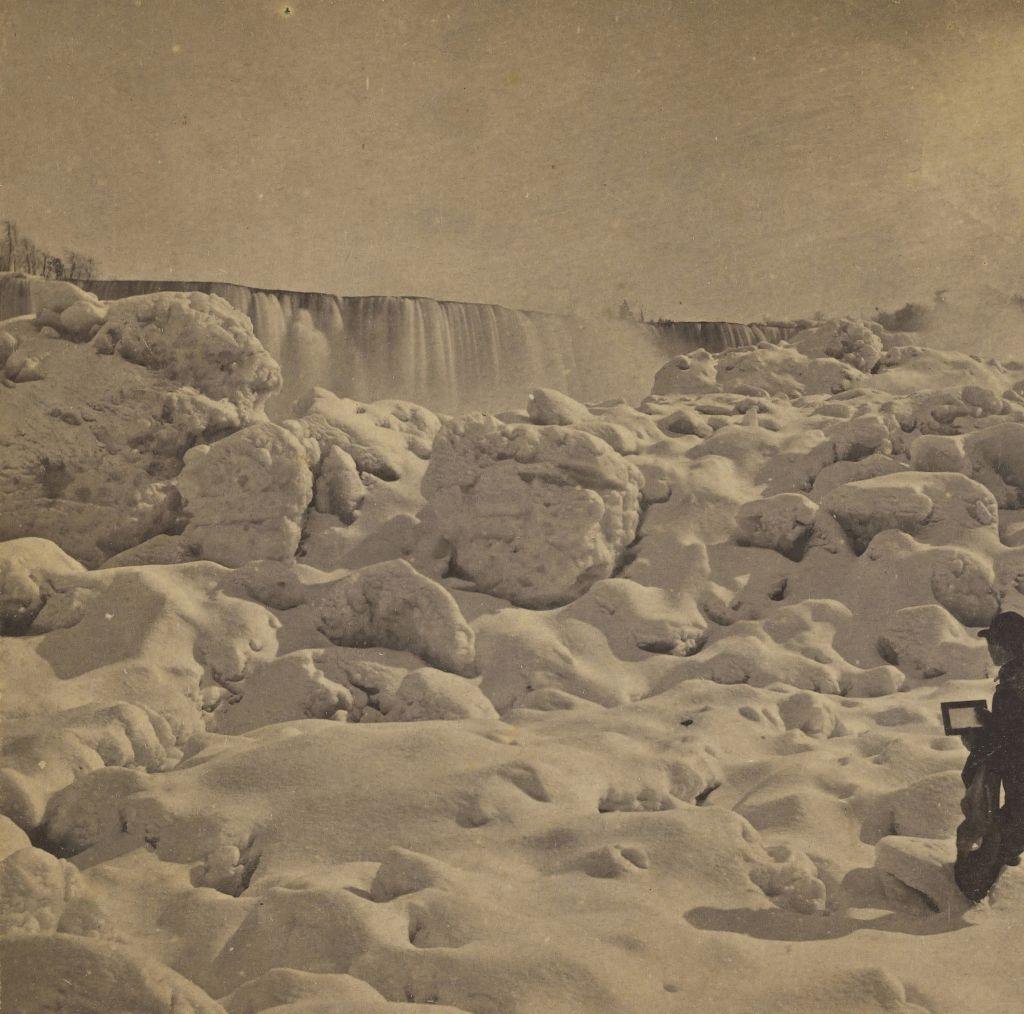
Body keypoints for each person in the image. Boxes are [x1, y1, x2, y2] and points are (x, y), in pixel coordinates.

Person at [954, 610, 1024, 902]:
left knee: (1009, 824)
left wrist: (979, 731)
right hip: (1017, 769)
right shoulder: (1014, 677)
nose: (990, 648)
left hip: (1018, 770)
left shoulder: (1013, 684)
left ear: (1006, 645)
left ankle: (976, 883)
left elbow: (1011, 736)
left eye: (993, 642)